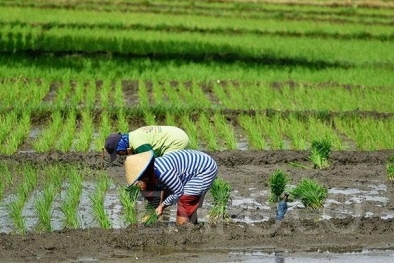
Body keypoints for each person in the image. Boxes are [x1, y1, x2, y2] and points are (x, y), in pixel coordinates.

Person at [124, 149, 218, 224]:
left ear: (145, 177)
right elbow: (162, 192)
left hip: (204, 168)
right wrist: (152, 211)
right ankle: (192, 226)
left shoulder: (164, 172)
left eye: (138, 184)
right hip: (187, 169)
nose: (138, 188)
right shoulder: (151, 173)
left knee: (185, 199)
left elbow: (178, 192)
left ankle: (183, 232)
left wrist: (162, 206)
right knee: (161, 191)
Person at [104, 125, 190, 161]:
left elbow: (152, 159)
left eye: (118, 152)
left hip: (176, 139)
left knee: (165, 165)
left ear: (120, 146)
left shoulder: (137, 143)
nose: (120, 155)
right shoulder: (133, 136)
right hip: (176, 133)